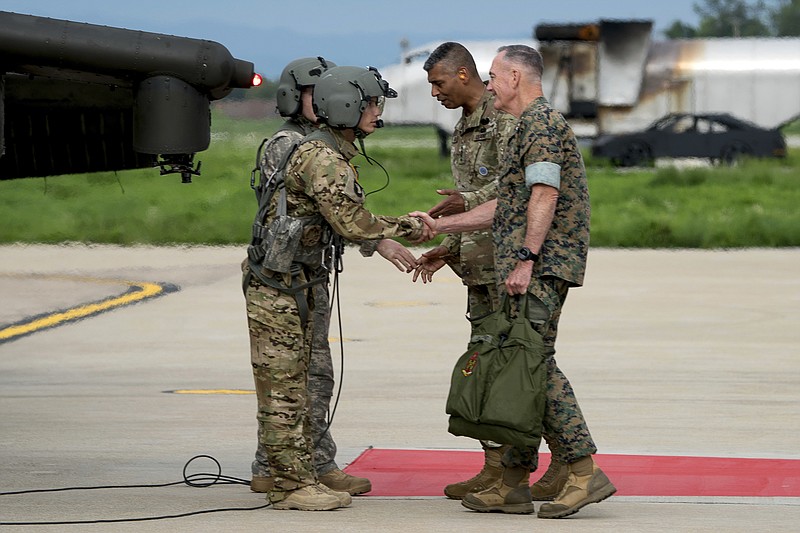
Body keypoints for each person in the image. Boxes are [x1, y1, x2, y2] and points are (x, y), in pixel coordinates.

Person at [410, 44, 616, 518]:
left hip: (541, 266)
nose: (490, 83)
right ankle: (514, 480)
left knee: (531, 364)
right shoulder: (528, 127)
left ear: (516, 78)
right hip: (527, 264)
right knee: (518, 366)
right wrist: (441, 228)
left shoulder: (540, 124)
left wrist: (526, 257)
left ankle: (583, 471)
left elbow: (542, 193)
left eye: (495, 75)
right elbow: (505, 204)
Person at [243, 64, 429, 511]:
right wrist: (410, 226)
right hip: (281, 287)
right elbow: (352, 221)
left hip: (298, 282)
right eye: (371, 103)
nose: (376, 111)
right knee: (286, 386)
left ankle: (297, 471)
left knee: (302, 380)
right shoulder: (322, 157)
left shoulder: (328, 151)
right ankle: (290, 484)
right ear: (347, 106)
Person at [412, 42, 525, 501]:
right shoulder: (463, 128)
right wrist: (448, 249)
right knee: (483, 371)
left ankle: (541, 468)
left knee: (515, 370)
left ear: (463, 74)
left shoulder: (504, 122)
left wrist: (467, 202)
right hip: (478, 270)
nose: (434, 93)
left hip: (508, 269)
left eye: (438, 83)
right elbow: (473, 203)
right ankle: (494, 468)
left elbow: (518, 185)